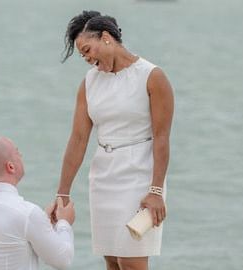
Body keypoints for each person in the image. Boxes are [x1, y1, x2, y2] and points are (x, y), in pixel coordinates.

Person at [56, 10, 174, 270]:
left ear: (106, 38)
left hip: (140, 174)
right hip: (103, 176)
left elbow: (162, 137)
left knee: (130, 261)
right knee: (112, 260)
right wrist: (62, 192)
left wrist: (156, 191)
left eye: (88, 49)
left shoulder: (152, 76)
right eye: (83, 56)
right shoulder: (89, 82)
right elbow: (77, 139)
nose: (87, 59)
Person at [0, 137, 75, 270]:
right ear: (10, 167)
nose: (21, 155)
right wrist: (64, 223)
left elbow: (2, 237)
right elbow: (63, 260)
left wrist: (43, 221)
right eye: (17, 152)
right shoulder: (27, 213)